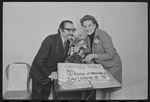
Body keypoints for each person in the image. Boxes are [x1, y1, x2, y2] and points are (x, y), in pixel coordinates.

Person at [29, 20, 76, 100]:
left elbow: (60, 59)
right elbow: (39, 61)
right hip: (39, 75)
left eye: (73, 30)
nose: (71, 32)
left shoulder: (67, 43)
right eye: (69, 30)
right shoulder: (50, 40)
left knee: (45, 97)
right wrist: (49, 74)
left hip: (50, 76)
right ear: (61, 30)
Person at [80, 15, 122, 100]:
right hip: (101, 66)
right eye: (84, 26)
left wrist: (93, 56)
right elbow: (88, 52)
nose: (87, 28)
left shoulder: (103, 34)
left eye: (89, 25)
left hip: (112, 65)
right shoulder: (87, 38)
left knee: (107, 89)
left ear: (95, 25)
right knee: (101, 88)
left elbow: (111, 54)